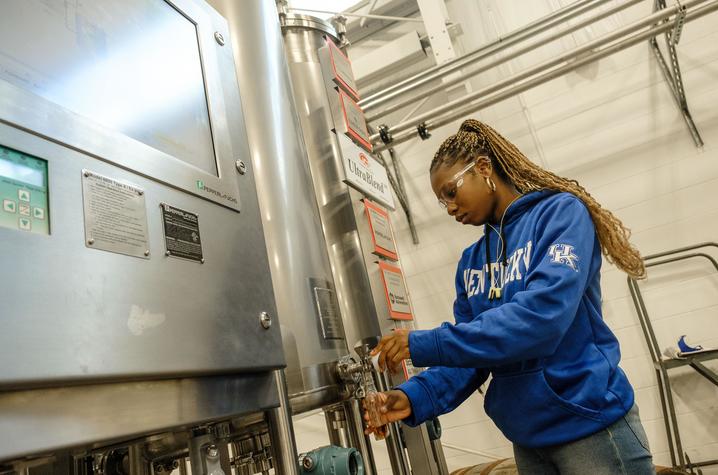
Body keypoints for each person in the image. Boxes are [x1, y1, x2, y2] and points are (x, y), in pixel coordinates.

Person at [365, 119, 654, 474]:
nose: (450, 208)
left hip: (590, 428)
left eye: (451, 192)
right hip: (528, 441)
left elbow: (541, 318)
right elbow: (473, 356)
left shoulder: (560, 215)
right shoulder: (472, 262)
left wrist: (425, 342)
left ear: (484, 168)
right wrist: (413, 397)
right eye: (442, 202)